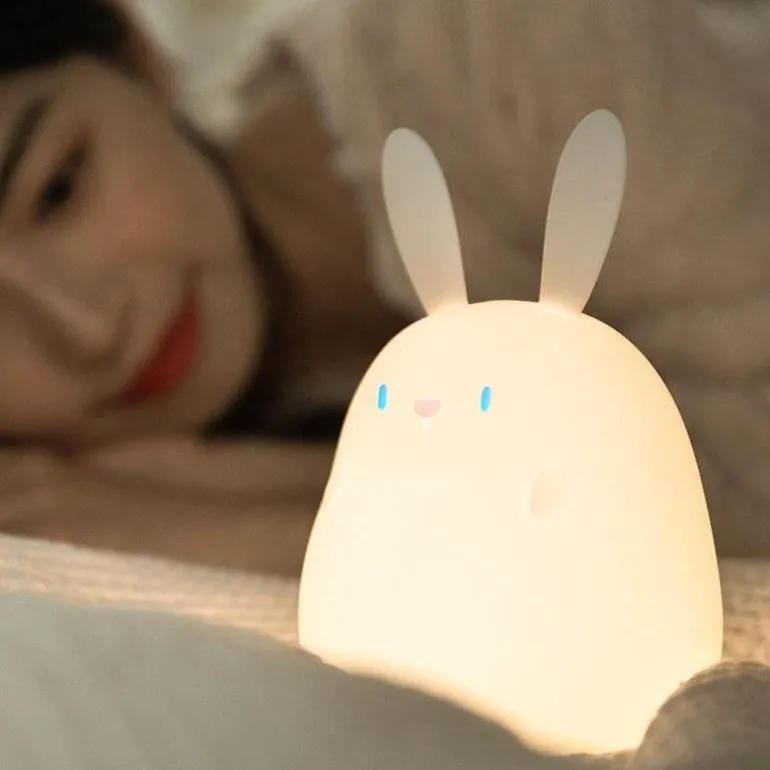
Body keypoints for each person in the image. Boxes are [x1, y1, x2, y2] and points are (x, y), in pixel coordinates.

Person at [2, 0, 770, 572]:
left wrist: (278, 519)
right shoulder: (90, 495)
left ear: (139, 59)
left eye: (58, 189)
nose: (86, 328)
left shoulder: (491, 39)